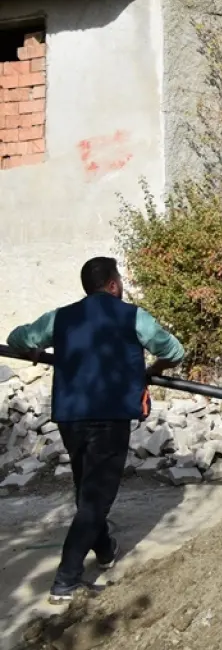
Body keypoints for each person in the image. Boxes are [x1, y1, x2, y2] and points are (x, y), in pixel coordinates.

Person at [6, 257, 185, 604]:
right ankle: (66, 580)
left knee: (87, 490)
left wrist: (34, 347)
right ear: (114, 285)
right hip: (109, 417)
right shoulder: (133, 316)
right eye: (120, 280)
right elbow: (174, 351)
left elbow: (17, 337)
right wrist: (152, 370)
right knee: (96, 500)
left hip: (71, 417)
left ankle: (104, 549)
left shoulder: (61, 317)